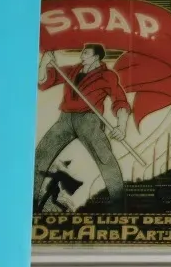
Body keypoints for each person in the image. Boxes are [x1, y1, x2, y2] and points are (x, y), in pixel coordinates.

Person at [34, 41, 136, 212]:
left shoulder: (107, 76)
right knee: (41, 155)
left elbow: (120, 100)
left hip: (89, 120)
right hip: (65, 119)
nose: (82, 55)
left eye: (86, 53)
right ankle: (31, 202)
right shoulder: (72, 70)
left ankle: (120, 207)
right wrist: (44, 63)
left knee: (106, 160)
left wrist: (122, 126)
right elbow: (42, 81)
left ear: (96, 57)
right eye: (82, 52)